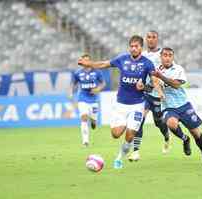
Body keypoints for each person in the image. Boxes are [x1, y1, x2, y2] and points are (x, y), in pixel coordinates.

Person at [77, 35, 164, 169]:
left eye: (136, 46)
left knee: (130, 135)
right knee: (116, 134)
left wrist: (156, 91)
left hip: (138, 104)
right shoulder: (122, 59)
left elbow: (154, 81)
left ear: (141, 47)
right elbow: (104, 64)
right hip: (120, 104)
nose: (133, 49)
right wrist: (89, 64)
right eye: (132, 46)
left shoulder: (147, 63)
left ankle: (119, 158)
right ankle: (124, 130)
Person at [152, 47, 202, 165]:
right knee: (171, 123)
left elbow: (175, 84)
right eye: (165, 55)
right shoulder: (156, 71)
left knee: (196, 132)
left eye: (170, 55)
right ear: (161, 57)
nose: (167, 57)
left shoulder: (178, 69)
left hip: (183, 105)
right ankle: (185, 139)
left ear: (173, 57)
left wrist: (161, 77)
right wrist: (143, 86)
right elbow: (152, 84)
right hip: (168, 106)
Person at [129, 31, 170, 162]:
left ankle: (167, 136)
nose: (151, 40)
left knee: (159, 122)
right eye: (148, 37)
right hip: (145, 93)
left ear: (157, 39)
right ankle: (135, 151)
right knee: (139, 119)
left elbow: (169, 71)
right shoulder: (142, 55)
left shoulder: (163, 54)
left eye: (153, 37)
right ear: (146, 40)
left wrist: (162, 86)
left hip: (158, 94)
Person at [69, 53, 106, 147]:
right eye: (84, 60)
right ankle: (85, 141)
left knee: (93, 119)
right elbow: (73, 83)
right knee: (84, 117)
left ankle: (93, 121)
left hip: (93, 100)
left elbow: (103, 83)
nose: (85, 62)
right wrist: (71, 92)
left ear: (90, 61)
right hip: (82, 98)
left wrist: (97, 89)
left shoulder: (97, 72)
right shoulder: (78, 73)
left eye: (87, 60)